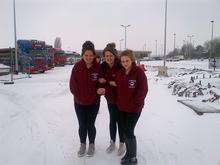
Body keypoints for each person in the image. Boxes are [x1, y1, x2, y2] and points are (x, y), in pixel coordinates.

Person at [114, 49, 148, 164]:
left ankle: (133, 158)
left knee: (129, 130)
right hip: (122, 108)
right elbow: (118, 88)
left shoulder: (138, 72)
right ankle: (128, 153)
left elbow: (143, 90)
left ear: (132, 60)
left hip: (134, 109)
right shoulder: (120, 73)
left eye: (127, 61)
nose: (125, 63)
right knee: (124, 131)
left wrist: (135, 104)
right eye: (123, 61)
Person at [69, 41, 100, 157]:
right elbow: (73, 85)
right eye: (86, 55)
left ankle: (91, 144)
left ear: (94, 55)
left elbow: (101, 82)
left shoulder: (98, 67)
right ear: (82, 55)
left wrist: (97, 93)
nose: (88, 57)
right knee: (82, 124)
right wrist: (81, 98)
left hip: (94, 103)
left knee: (91, 124)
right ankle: (83, 144)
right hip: (79, 103)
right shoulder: (77, 66)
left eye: (91, 55)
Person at [98, 43, 126, 156]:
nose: (108, 58)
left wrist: (109, 82)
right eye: (106, 55)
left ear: (115, 55)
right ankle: (112, 142)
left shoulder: (120, 65)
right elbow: (101, 80)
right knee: (112, 120)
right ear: (104, 56)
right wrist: (107, 83)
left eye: (111, 55)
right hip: (110, 98)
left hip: (121, 98)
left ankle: (122, 143)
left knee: (121, 121)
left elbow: (123, 82)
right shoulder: (103, 66)